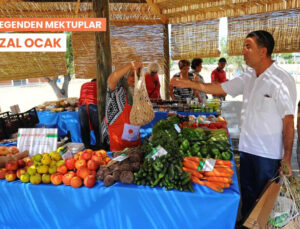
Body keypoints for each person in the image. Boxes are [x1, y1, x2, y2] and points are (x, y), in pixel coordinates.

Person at [170, 30, 296, 223]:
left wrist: (287, 155)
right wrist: (190, 84)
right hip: (246, 150)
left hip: (268, 156)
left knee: (265, 204)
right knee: (247, 198)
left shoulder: (281, 79)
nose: (243, 52)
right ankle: (246, 223)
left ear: (263, 52)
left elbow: (288, 120)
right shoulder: (248, 76)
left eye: (248, 47)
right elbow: (220, 88)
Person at [101, 61, 143, 152]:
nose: (135, 78)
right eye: (132, 75)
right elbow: (112, 79)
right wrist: (130, 65)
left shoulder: (136, 92)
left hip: (132, 137)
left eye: (137, 76)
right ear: (125, 76)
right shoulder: (117, 89)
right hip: (116, 138)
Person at [78, 79, 100, 150]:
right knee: (97, 127)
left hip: (82, 106)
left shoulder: (83, 85)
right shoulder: (99, 85)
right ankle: (99, 147)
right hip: (93, 105)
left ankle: (87, 147)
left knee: (84, 128)